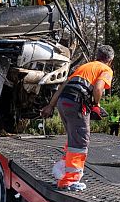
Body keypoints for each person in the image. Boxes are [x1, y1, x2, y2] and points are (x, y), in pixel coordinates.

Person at [41, 45, 114, 191]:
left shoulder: (84, 67)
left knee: (73, 139)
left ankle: (63, 170)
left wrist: (50, 106)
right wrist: (96, 104)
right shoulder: (106, 69)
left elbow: (62, 87)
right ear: (110, 60)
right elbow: (98, 88)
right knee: (80, 141)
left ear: (97, 56)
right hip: (76, 103)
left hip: (63, 102)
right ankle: (69, 181)